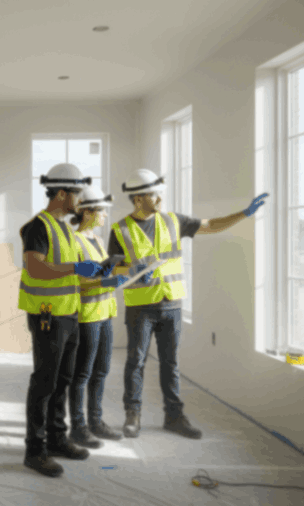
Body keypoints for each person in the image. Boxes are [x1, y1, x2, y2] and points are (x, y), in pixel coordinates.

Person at [109, 169, 269, 439]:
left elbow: (210, 225)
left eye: (159, 192)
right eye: (153, 193)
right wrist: (133, 269)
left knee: (170, 363)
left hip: (171, 303)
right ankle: (132, 415)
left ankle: (174, 417)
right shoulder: (120, 229)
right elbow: (112, 269)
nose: (159, 198)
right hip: (140, 306)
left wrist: (243, 214)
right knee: (135, 362)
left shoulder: (174, 220)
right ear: (138, 199)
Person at [19, 163, 108, 478]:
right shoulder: (38, 227)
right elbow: (36, 268)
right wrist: (75, 269)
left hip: (68, 314)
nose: (80, 198)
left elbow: (68, 267)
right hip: (47, 316)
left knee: (63, 381)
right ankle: (35, 449)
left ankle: (57, 439)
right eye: (77, 191)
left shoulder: (64, 228)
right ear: (61, 192)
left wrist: (95, 270)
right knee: (44, 382)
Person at [67, 186, 128, 449]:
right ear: (87, 211)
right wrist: (108, 281)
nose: (105, 216)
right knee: (82, 373)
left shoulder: (98, 240)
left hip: (105, 312)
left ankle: (96, 422)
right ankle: (78, 428)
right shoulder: (74, 241)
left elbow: (101, 276)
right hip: (87, 315)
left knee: (101, 371)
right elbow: (76, 282)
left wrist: (122, 276)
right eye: (101, 211)